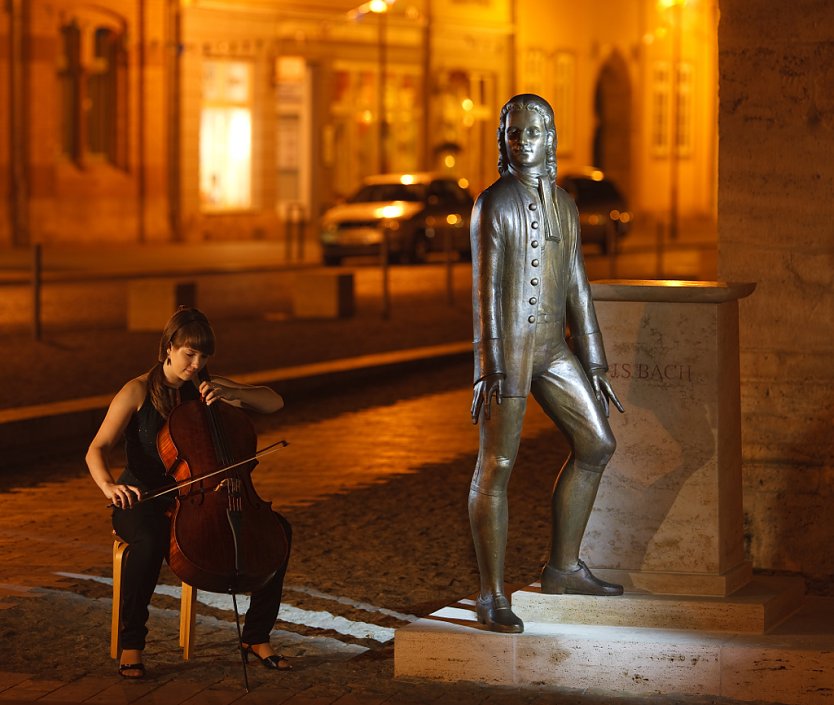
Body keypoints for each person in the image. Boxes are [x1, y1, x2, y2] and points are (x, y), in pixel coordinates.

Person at [469, 94, 625, 634]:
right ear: (502, 139)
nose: (522, 139)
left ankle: (563, 568)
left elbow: (577, 282)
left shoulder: (566, 204)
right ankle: (490, 595)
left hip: (553, 350)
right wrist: (487, 365)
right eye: (513, 131)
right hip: (508, 354)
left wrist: (596, 359)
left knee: (597, 444)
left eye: (533, 131)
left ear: (550, 138)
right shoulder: (492, 204)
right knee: (497, 467)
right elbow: (486, 291)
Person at [86, 307, 292, 678]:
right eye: (189, 354)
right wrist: (109, 485)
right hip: (142, 497)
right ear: (168, 347)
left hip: (202, 498)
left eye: (204, 357)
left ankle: (256, 636)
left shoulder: (208, 390)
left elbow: (274, 402)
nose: (196, 365)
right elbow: (97, 448)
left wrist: (230, 391)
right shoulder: (136, 391)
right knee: (149, 540)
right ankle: (132, 643)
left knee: (278, 530)